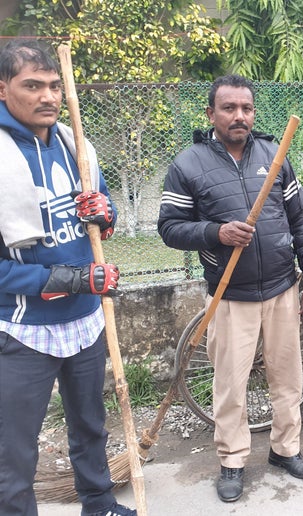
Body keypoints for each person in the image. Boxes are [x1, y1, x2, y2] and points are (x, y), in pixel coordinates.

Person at [157, 74, 303, 502]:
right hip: (230, 296)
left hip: (283, 289)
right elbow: (170, 228)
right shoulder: (188, 164)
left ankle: (286, 450)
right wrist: (215, 233)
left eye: (246, 109)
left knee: (287, 377)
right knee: (231, 384)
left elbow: (301, 219)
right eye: (229, 108)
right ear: (211, 113)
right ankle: (232, 460)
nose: (239, 116)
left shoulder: (275, 153)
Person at [0, 41, 133, 516]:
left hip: (85, 320)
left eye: (54, 85)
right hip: (22, 330)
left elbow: (102, 212)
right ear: (3, 89)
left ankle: (98, 503)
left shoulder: (76, 143)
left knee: (90, 425)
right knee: (14, 451)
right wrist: (75, 278)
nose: (48, 96)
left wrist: (106, 212)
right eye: (31, 85)